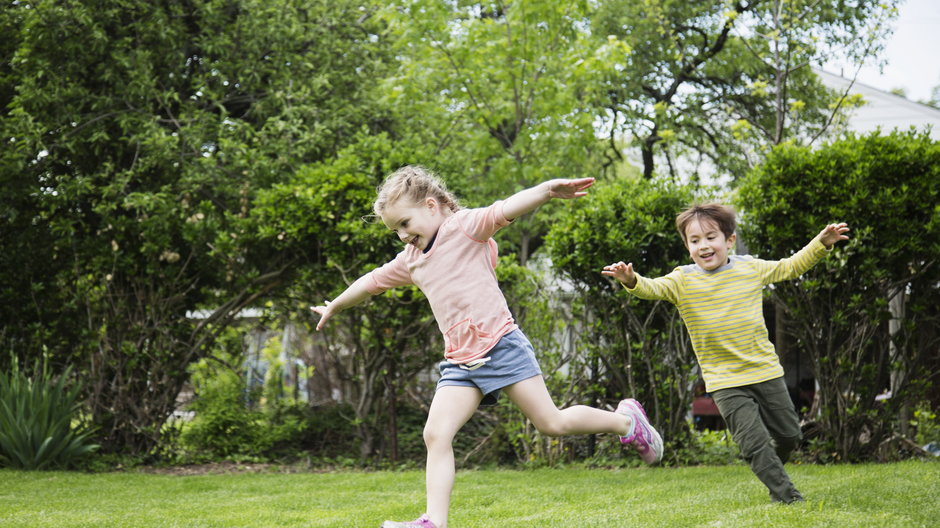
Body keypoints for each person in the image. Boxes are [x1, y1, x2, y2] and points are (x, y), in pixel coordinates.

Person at [312, 166, 663, 528]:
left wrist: (546, 190)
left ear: (431, 206)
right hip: (460, 362)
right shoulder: (412, 261)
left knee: (551, 423)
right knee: (435, 434)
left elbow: (506, 208)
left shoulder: (464, 228)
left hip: (501, 346)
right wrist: (335, 304)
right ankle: (435, 522)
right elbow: (371, 282)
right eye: (395, 230)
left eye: (404, 223)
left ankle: (627, 422)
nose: (402, 236)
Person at [602, 203, 849, 505]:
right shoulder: (682, 280)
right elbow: (651, 288)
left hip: (766, 371)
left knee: (789, 436)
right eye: (695, 241)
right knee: (753, 442)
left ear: (729, 240)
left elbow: (790, 266)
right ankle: (787, 497)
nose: (703, 246)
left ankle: (767, 464)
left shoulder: (749, 268)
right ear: (687, 246)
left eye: (710, 237)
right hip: (724, 380)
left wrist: (820, 243)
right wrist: (630, 280)